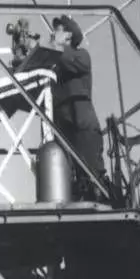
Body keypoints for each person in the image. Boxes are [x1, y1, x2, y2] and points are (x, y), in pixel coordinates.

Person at [49, 15, 107, 202]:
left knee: (93, 184)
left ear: (69, 35)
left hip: (83, 130)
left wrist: (57, 47)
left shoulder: (82, 55)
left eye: (58, 30)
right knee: (67, 188)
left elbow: (68, 60)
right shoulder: (55, 67)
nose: (53, 33)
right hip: (64, 134)